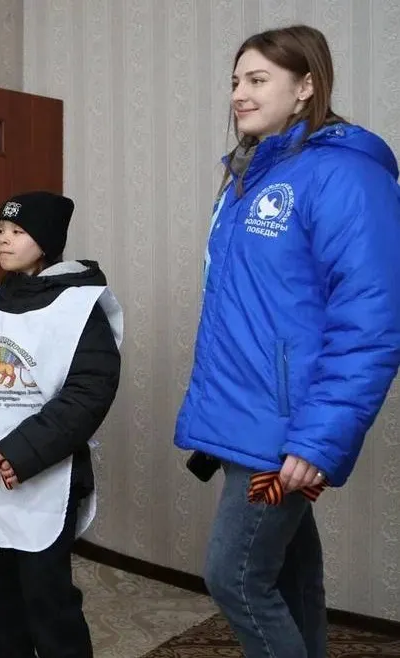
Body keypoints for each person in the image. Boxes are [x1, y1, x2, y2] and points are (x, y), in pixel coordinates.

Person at [174, 25, 400, 658]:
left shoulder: (345, 176)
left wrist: (317, 437)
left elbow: (371, 322)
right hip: (248, 414)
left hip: (286, 424)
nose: (239, 94)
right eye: (235, 81)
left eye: (257, 79)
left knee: (236, 576)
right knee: (292, 576)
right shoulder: (248, 178)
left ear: (305, 87)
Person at [0, 191, 122, 658]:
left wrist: (20, 452)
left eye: (18, 232)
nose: (4, 240)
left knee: (47, 600)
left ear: (47, 242)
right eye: (0, 230)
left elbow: (88, 393)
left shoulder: (80, 306)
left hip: (43, 479)